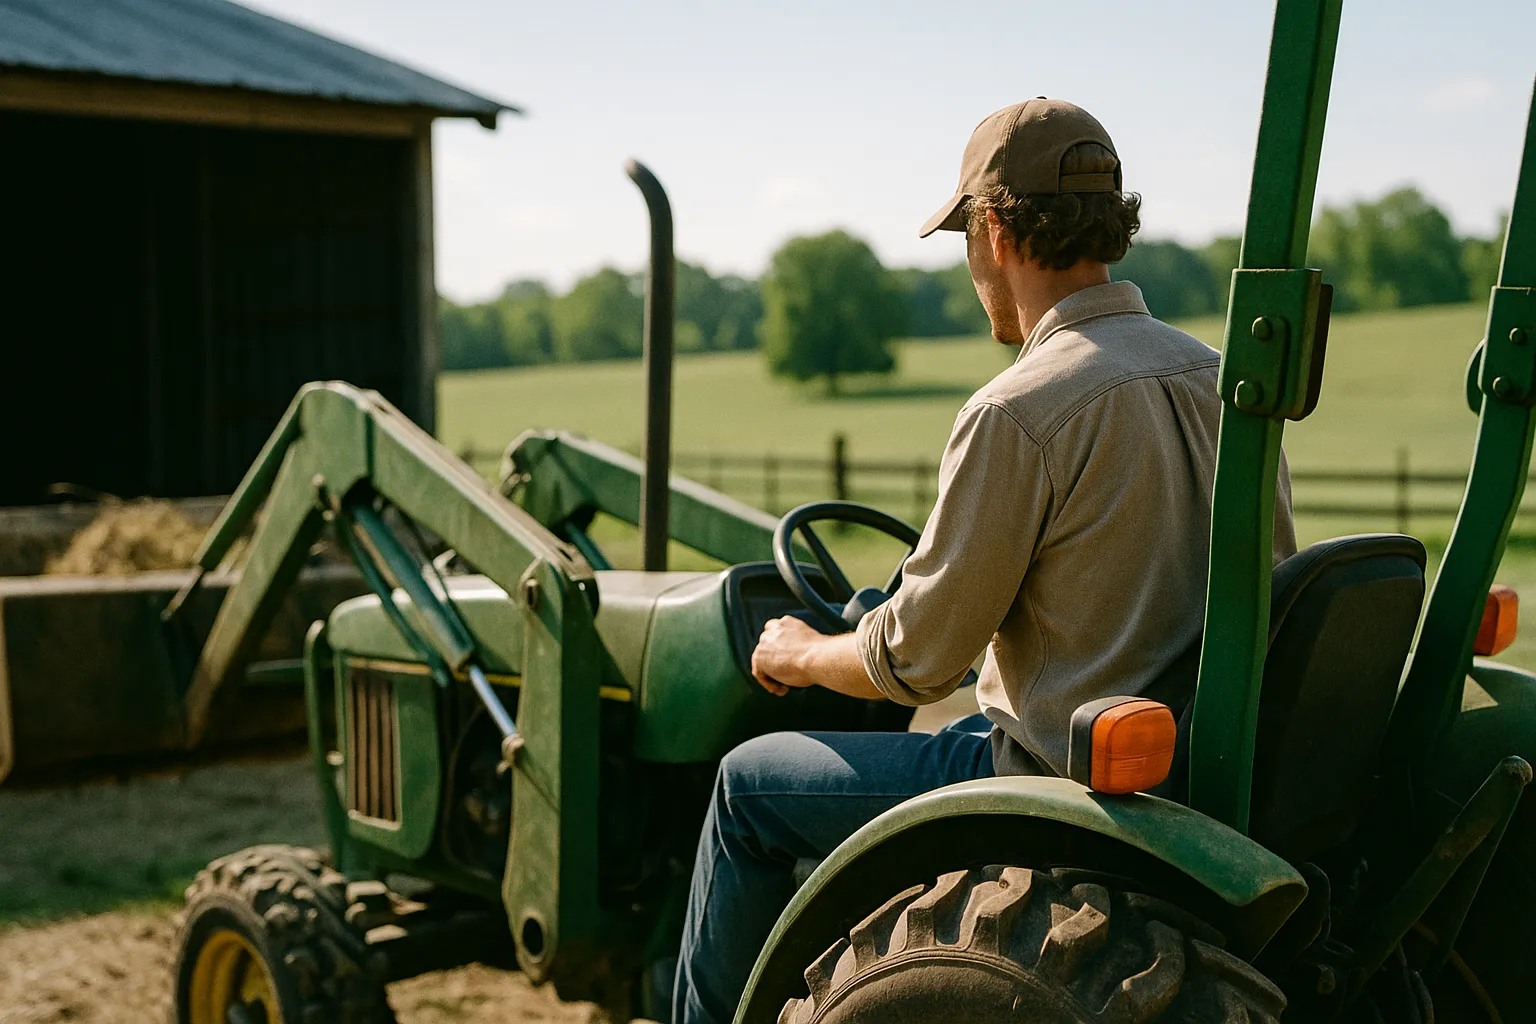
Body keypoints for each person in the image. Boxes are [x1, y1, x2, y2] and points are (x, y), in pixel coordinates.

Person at [670, 97, 1296, 1024]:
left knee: (748, 787)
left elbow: (914, 663)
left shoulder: (1018, 410)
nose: (970, 263)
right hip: (1196, 755)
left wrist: (799, 652)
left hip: (1050, 773)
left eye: (965, 234)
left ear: (996, 229)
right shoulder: (1220, 378)